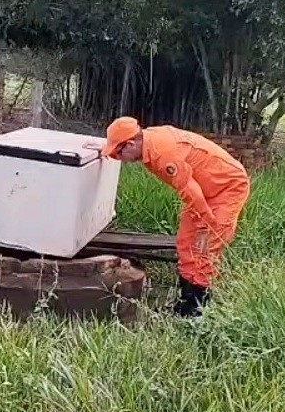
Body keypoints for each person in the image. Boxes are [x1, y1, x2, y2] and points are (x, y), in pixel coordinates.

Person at [92, 117, 251, 317]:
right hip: (204, 190)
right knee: (185, 244)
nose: (117, 158)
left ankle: (197, 311)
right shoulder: (148, 142)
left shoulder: (163, 153)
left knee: (205, 249)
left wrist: (207, 223)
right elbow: (193, 191)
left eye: (118, 152)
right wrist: (99, 149)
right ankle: (185, 303)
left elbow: (190, 191)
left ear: (131, 144)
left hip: (227, 187)